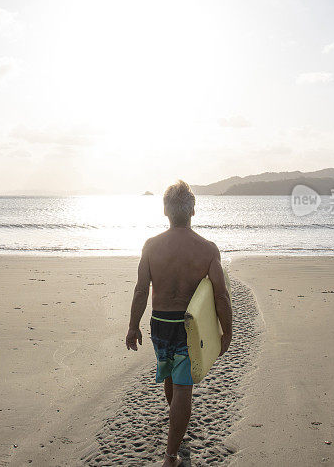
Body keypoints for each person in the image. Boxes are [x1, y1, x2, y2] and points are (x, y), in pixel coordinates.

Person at [125, 180, 233, 467]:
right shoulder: (207, 250)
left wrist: (133, 326)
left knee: (172, 377)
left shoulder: (151, 246)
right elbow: (220, 295)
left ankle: (176, 422)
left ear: (165, 211)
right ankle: (171, 455)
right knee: (184, 388)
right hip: (188, 327)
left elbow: (140, 289)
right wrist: (227, 331)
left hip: (159, 324)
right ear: (193, 210)